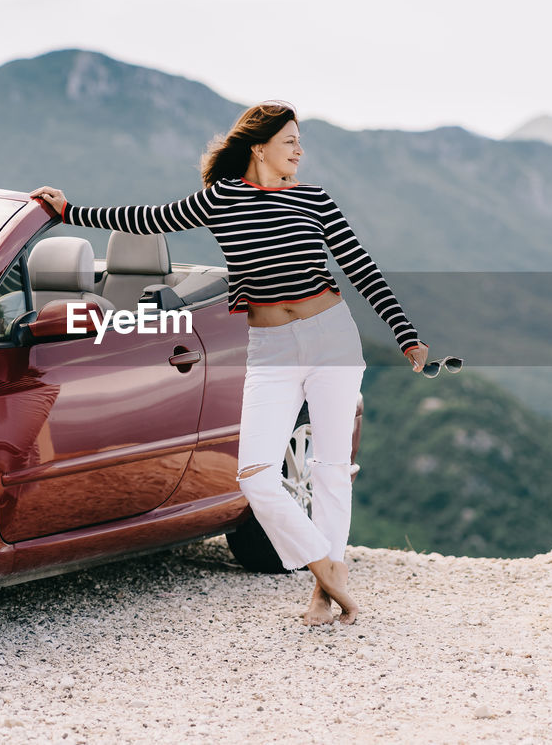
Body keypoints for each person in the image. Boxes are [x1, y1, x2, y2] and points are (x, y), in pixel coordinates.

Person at [31, 101, 429, 625]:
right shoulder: (221, 200)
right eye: (291, 141)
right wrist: (67, 213)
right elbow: (144, 220)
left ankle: (323, 591)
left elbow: (361, 268)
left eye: (300, 141)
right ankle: (325, 568)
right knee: (255, 473)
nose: (300, 151)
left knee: (331, 470)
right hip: (271, 348)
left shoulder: (315, 200)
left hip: (331, 338)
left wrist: (407, 337)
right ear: (259, 147)